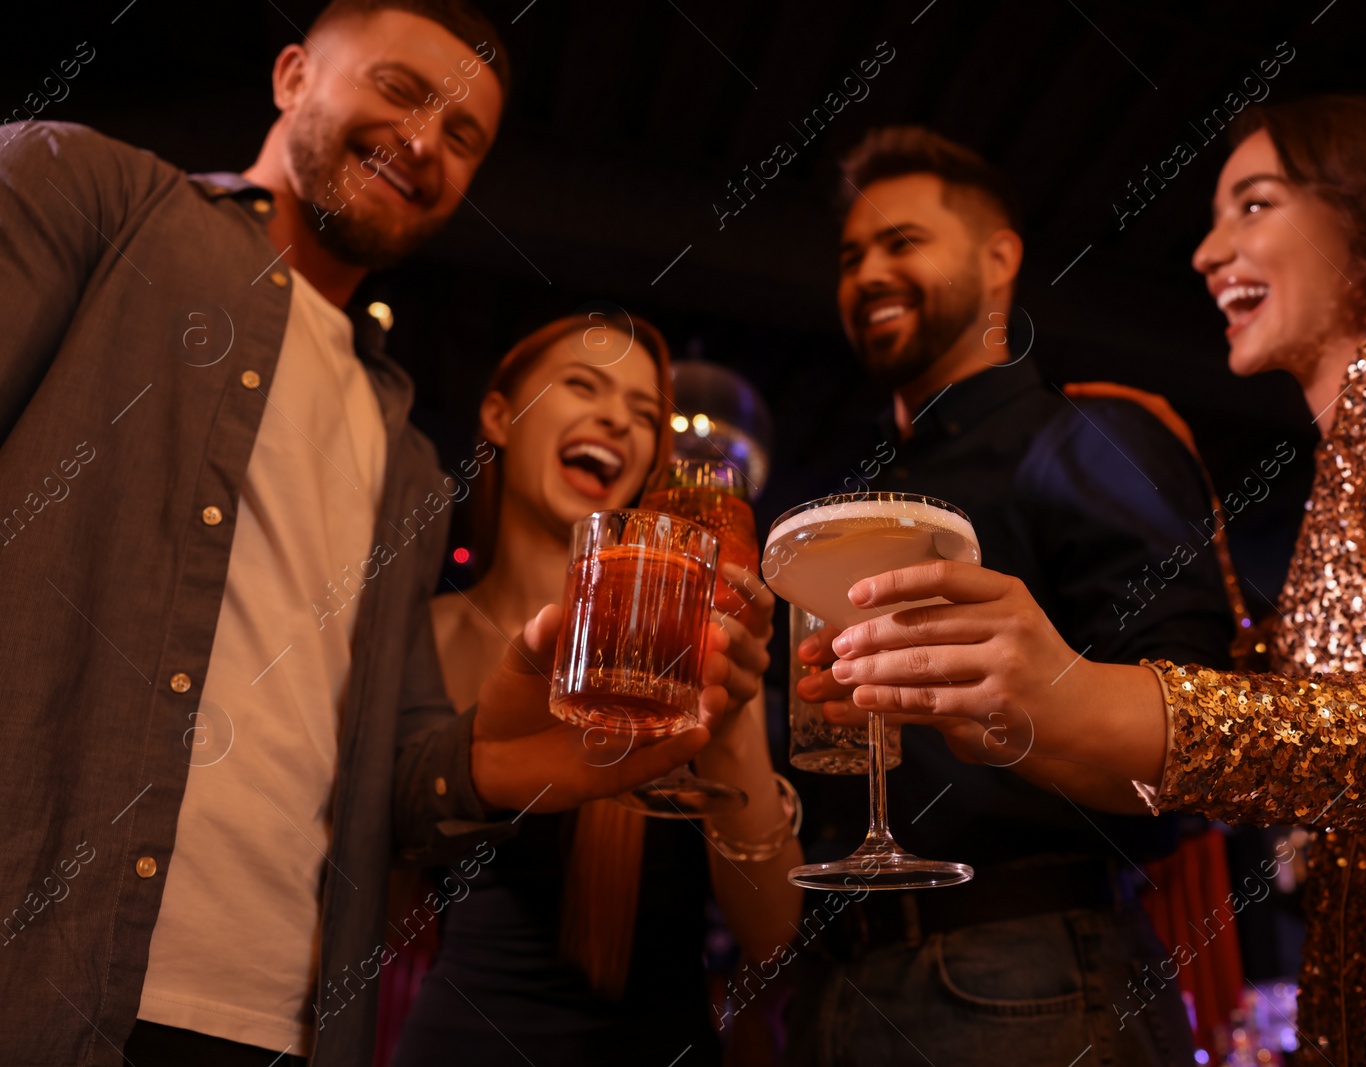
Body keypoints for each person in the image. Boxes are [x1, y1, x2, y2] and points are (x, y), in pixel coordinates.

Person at [0, 4, 732, 1065]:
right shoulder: (89, 193)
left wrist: (536, 754)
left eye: (465, 134)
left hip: (276, 1018)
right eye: (399, 89)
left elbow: (403, 781)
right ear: (293, 74)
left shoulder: (407, 461)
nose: (426, 141)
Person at [819, 98, 1366, 1064]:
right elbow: (1322, 715)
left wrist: (1070, 696)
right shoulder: (1363, 440)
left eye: (1254, 205)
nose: (1206, 250)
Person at [780, 127, 1237, 1065]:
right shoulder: (856, 490)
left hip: (1027, 969)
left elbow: (1204, 728)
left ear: (999, 260)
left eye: (902, 243)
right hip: (833, 979)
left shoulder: (1092, 436)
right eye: (852, 255)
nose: (867, 273)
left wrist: (1028, 705)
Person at [391, 314, 801, 1065]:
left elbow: (771, 933)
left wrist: (731, 714)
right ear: (498, 415)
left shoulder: (675, 646)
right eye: (583, 385)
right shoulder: (419, 628)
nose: (618, 418)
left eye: (646, 414)